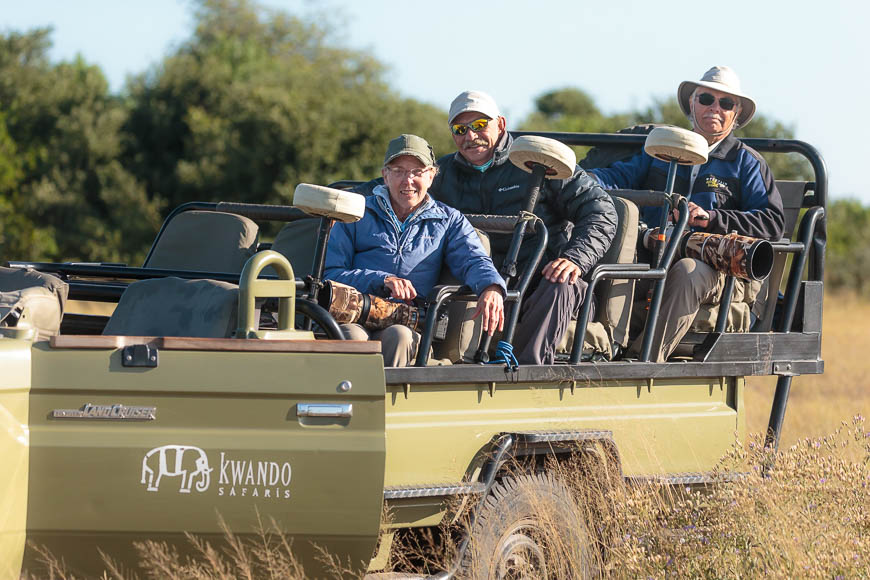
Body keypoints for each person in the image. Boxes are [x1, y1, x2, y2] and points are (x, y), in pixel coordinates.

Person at [590, 65, 785, 361]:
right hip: (653, 253)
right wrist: (575, 179)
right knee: (615, 258)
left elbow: (772, 223)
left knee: (687, 272)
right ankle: (601, 350)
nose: (715, 108)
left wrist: (713, 219)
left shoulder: (746, 163)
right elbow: (619, 177)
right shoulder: (662, 149)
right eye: (706, 98)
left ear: (737, 114)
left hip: (718, 267)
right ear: (692, 104)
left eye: (726, 103)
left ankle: (642, 362)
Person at [428, 90, 617, 365]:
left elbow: (602, 210)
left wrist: (575, 258)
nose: (470, 136)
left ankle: (526, 377)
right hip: (481, 282)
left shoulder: (539, 161)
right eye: (460, 129)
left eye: (480, 125)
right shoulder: (440, 174)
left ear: (501, 124)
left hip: (541, 281)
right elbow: (393, 189)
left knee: (562, 282)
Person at [325, 134, 506, 367]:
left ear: (431, 176)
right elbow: (330, 273)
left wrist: (491, 286)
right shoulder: (354, 213)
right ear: (385, 175)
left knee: (399, 337)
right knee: (352, 337)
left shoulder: (449, 220)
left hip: (410, 321)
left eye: (417, 172)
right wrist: (382, 280)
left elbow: (474, 259)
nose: (407, 181)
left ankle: (390, 402)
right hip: (355, 312)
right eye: (398, 170)